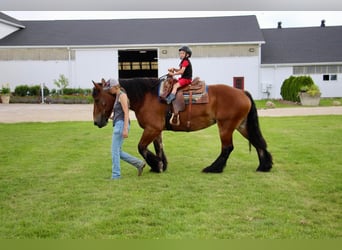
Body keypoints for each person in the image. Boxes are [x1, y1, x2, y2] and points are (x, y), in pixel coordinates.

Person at [106, 78, 145, 179]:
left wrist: (125, 129)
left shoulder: (122, 96)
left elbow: (126, 112)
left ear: (115, 87)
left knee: (114, 151)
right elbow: (120, 112)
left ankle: (116, 175)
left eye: (110, 88)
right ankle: (139, 164)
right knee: (118, 151)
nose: (109, 90)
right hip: (119, 123)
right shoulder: (118, 95)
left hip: (121, 125)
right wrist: (113, 117)